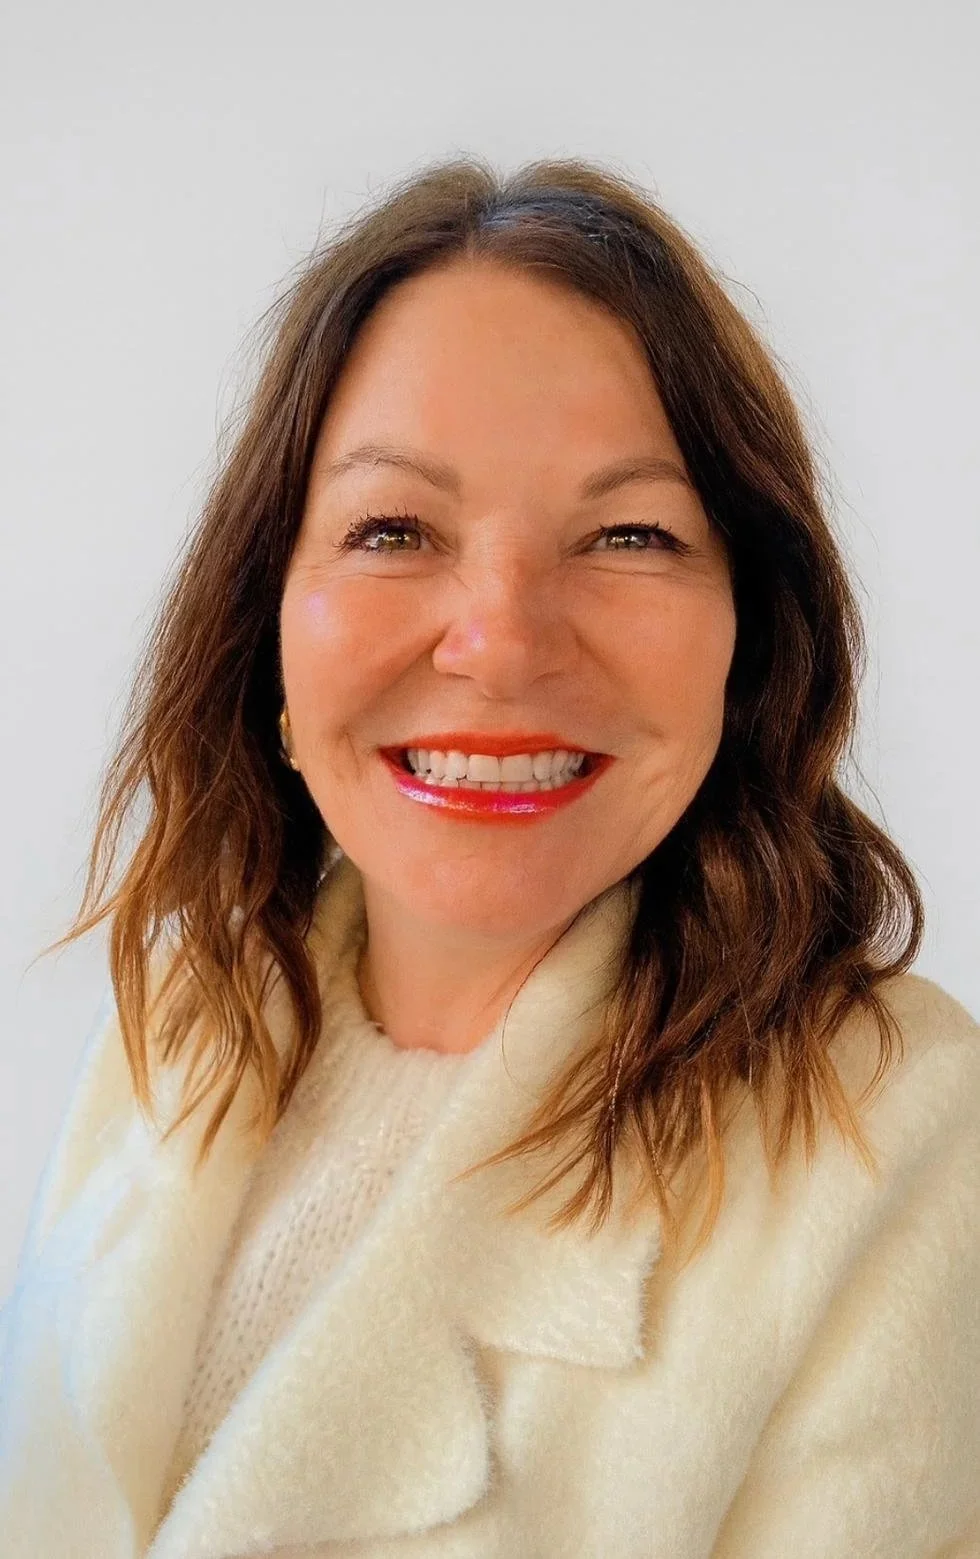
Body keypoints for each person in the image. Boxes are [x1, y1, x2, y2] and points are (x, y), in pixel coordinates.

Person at [0, 156, 977, 1559]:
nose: (505, 639)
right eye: (394, 529)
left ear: (749, 638)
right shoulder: (178, 1029)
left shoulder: (904, 1135)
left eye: (630, 535)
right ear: (267, 611)